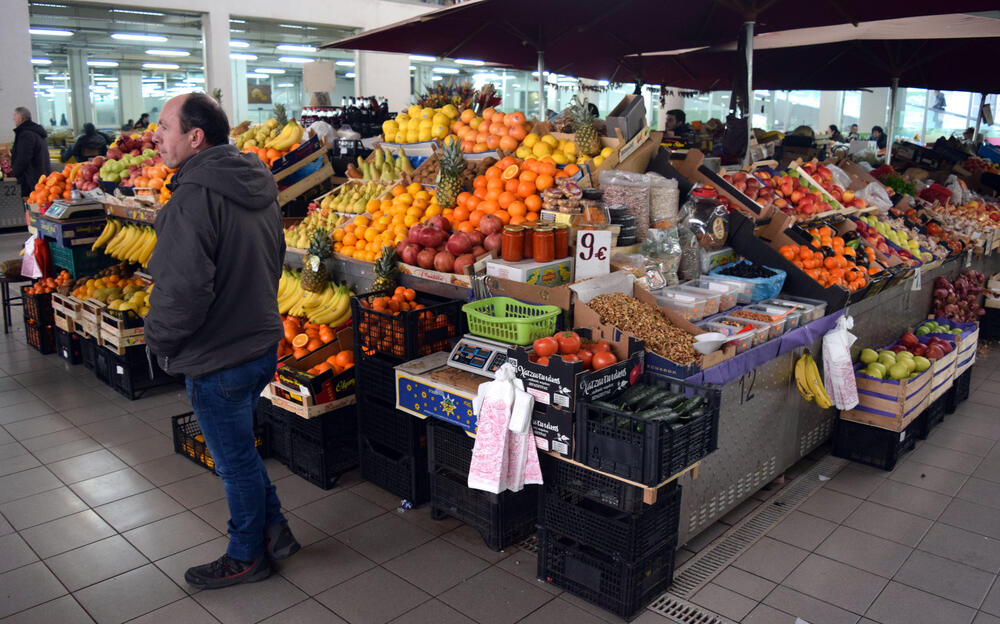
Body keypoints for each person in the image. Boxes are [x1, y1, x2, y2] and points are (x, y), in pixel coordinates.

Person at [145, 92, 297, 590]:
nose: (156, 136)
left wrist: (160, 343)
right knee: (241, 452)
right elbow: (274, 261)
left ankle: (246, 554)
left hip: (219, 355)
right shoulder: (257, 183)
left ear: (195, 136)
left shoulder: (193, 197)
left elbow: (184, 290)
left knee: (233, 463)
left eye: (164, 127)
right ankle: (276, 532)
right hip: (258, 342)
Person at [11, 107, 51, 198]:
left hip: (31, 179)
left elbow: (23, 158)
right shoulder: (36, 133)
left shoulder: (26, 135)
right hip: (41, 176)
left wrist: (15, 172)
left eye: (15, 116)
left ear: (21, 118)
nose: (13, 119)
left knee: (32, 206)